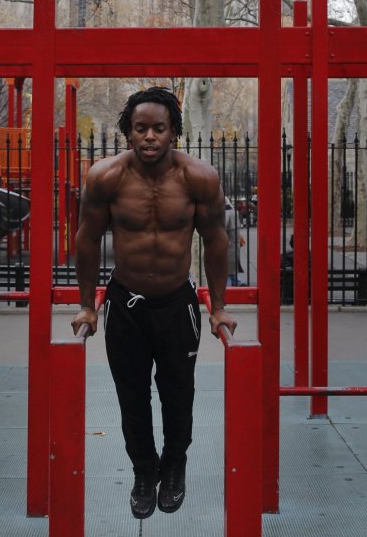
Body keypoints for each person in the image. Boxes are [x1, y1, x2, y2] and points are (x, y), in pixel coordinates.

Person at [72, 87, 237, 519]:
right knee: (132, 397)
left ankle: (175, 465)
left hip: (176, 304)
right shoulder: (105, 177)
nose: (149, 137)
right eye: (140, 128)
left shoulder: (198, 178)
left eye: (158, 129)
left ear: (173, 133)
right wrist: (87, 305)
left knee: (178, 394)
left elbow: (216, 242)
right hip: (125, 304)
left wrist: (218, 306)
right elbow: (86, 241)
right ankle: (144, 473)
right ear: (128, 131)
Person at [224, 197, 246, 286]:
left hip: (228, 246)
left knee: (226, 273)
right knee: (232, 270)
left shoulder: (226, 213)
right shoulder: (234, 212)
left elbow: (223, 228)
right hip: (235, 245)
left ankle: (228, 292)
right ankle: (240, 284)